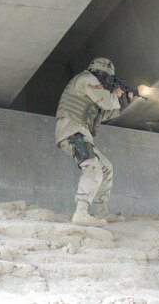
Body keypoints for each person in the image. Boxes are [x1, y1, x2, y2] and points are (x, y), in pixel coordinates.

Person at [55, 57, 132, 227]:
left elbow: (102, 114)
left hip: (80, 132)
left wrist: (124, 100)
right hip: (72, 130)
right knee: (92, 166)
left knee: (106, 167)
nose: (107, 82)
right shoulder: (86, 79)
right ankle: (81, 213)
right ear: (101, 73)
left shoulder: (92, 89)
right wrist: (115, 95)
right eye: (107, 78)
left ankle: (102, 211)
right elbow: (106, 101)